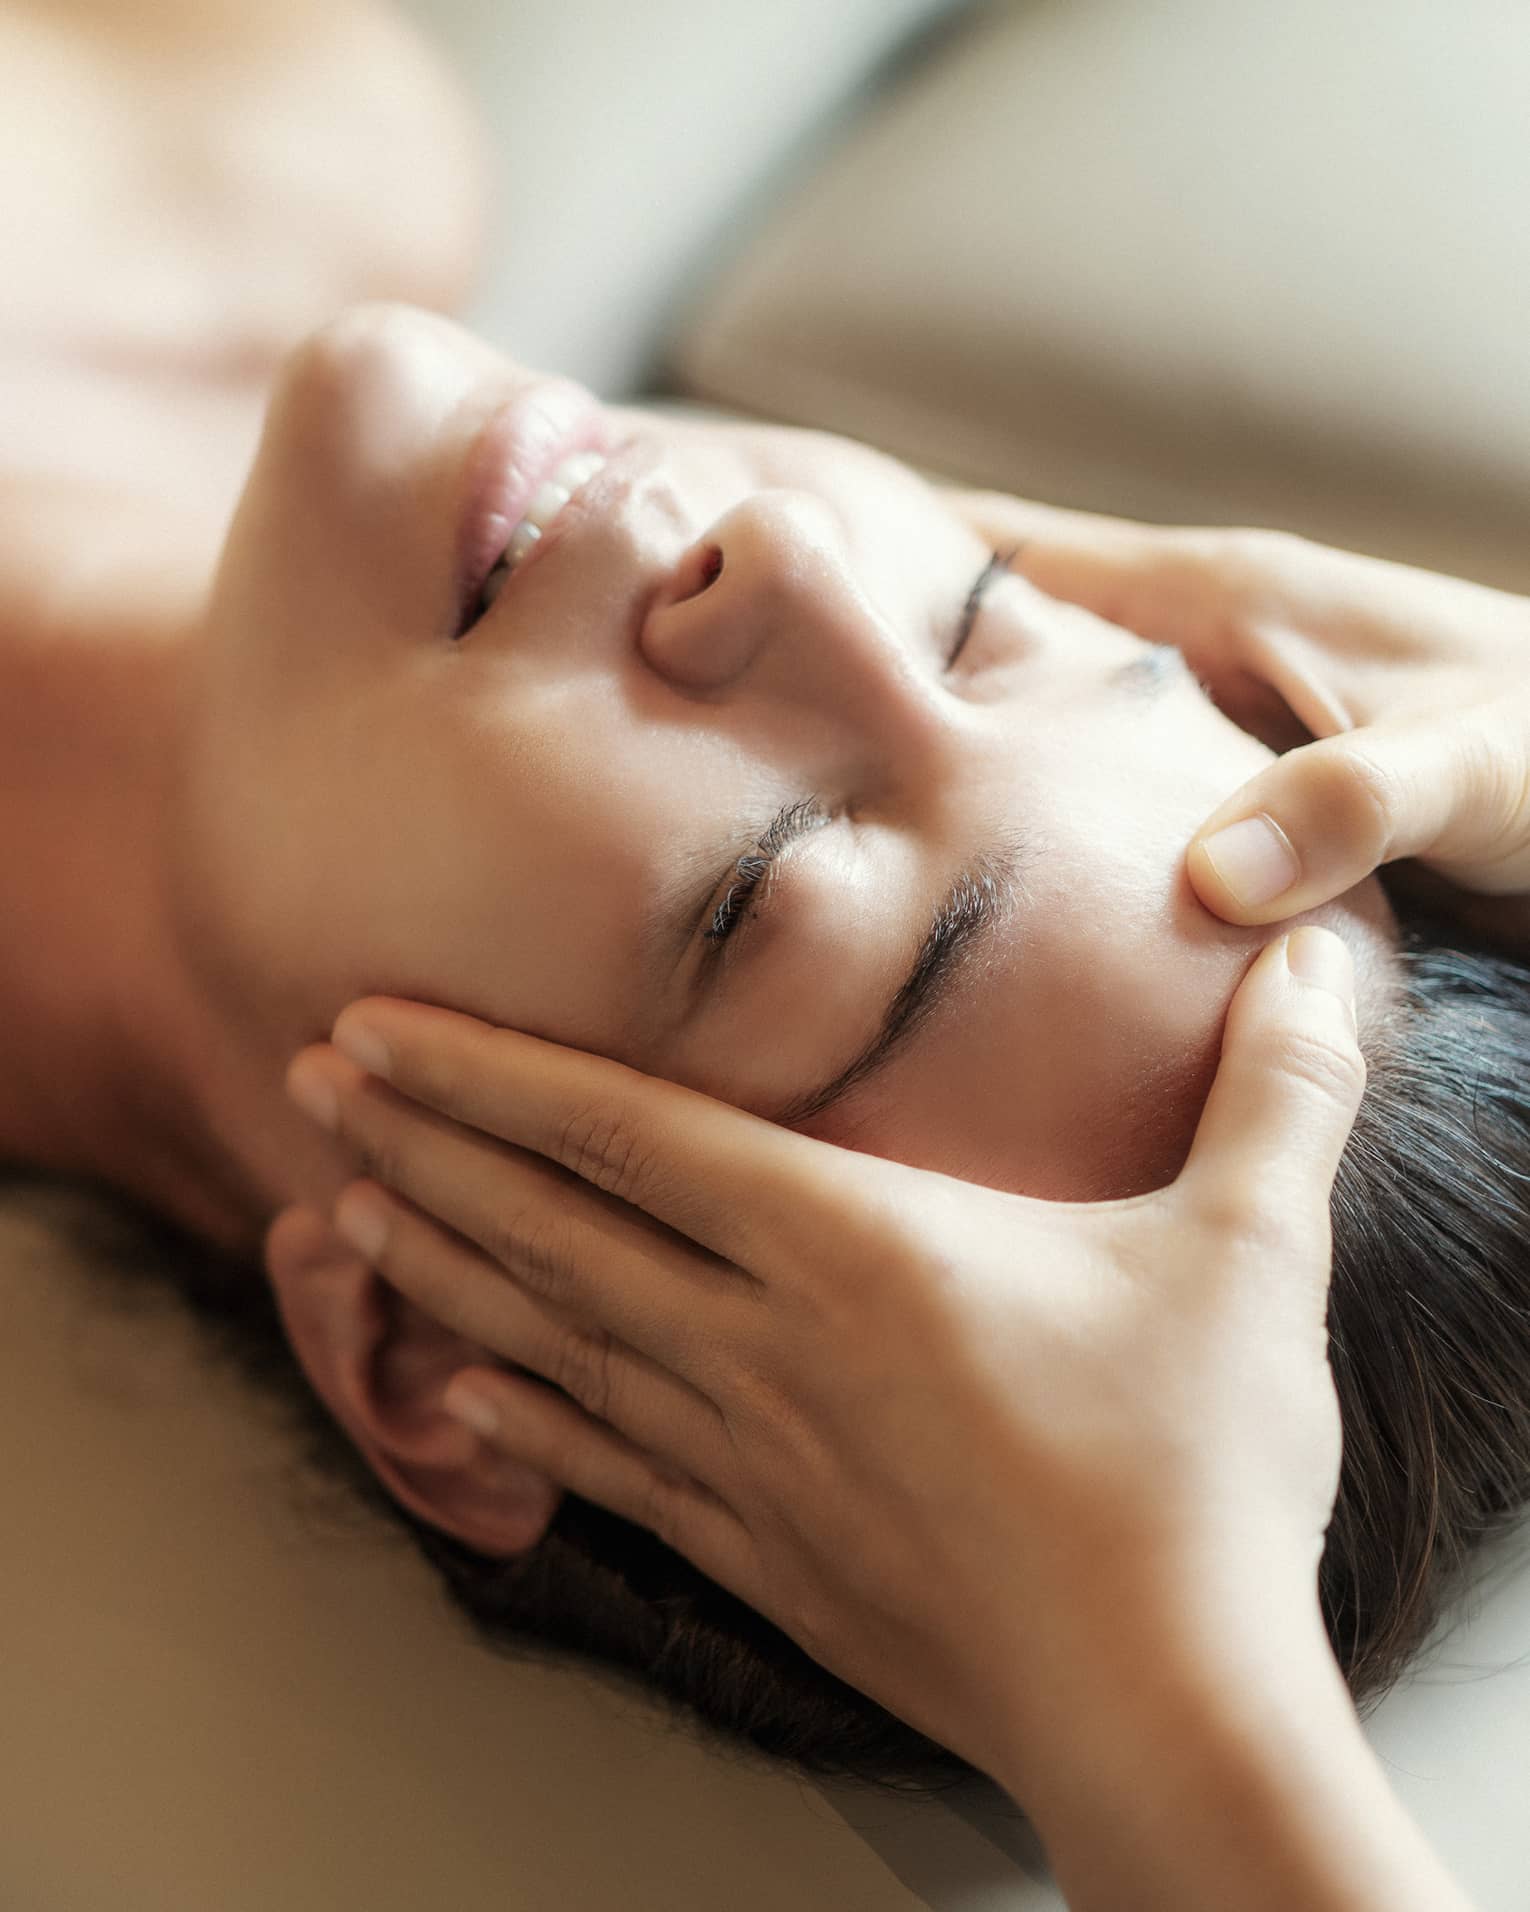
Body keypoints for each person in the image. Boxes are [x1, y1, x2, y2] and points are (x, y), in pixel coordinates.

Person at [1, 0, 1526, 1897]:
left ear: (440, 1337)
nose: (792, 561)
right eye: (981, 615)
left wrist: (1173, 1726)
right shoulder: (281, 152)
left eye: (760, 890)